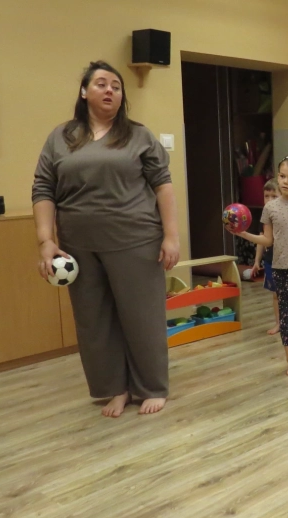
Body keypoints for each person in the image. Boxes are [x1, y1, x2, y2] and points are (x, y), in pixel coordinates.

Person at [32, 60, 179, 417]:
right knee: (94, 321)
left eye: (116, 85)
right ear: (84, 92)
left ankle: (151, 387)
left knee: (142, 318)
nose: (110, 89)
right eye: (101, 83)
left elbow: (163, 185)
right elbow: (43, 188)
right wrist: (45, 240)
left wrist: (171, 236)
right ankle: (115, 389)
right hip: (78, 245)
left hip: (135, 239)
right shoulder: (60, 138)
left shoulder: (138, 136)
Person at [233, 155, 288, 377]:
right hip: (280, 269)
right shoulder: (270, 208)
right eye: (282, 176)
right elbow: (267, 239)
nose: (285, 181)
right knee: (285, 316)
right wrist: (244, 234)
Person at [252, 178, 288, 339]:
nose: (269, 200)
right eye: (266, 196)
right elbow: (261, 240)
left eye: (274, 196)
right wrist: (257, 261)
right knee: (276, 294)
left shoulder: (287, 215)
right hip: (270, 260)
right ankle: (280, 323)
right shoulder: (265, 216)